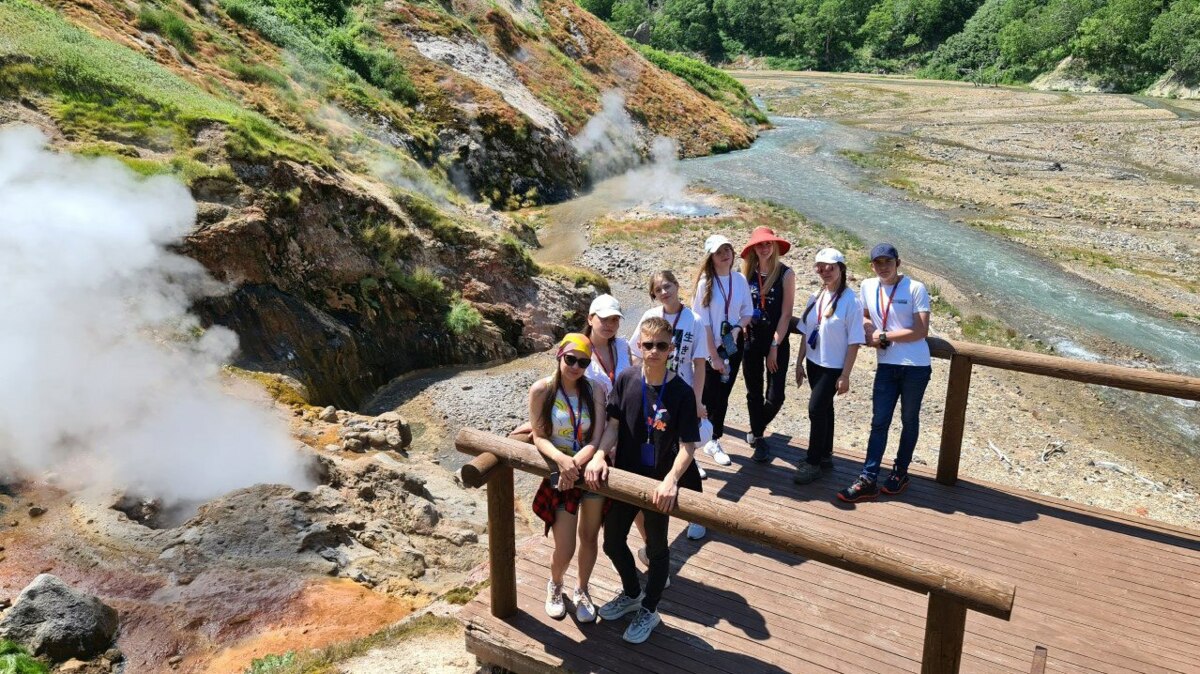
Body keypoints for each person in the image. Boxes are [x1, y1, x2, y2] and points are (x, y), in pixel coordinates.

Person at [586, 317, 702, 644]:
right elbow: (612, 426)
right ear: (639, 345)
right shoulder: (626, 379)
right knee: (612, 541)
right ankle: (633, 593)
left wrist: (671, 480)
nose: (653, 351)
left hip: (658, 485)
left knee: (657, 548)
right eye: (648, 345)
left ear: (671, 349)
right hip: (625, 478)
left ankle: (650, 610)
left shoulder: (680, 391)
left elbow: (688, 447)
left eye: (661, 346)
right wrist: (598, 455)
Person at [838, 243, 932, 503]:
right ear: (872, 265)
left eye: (887, 262)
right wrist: (869, 329)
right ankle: (868, 477)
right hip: (886, 366)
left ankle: (900, 472)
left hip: (915, 367)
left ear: (897, 263)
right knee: (879, 422)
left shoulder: (915, 288)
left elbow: (920, 330)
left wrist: (884, 336)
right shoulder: (868, 286)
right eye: (878, 263)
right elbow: (866, 315)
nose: (883, 267)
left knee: (909, 420)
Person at [528, 334, 609, 621]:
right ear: (560, 355)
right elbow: (538, 435)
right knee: (565, 546)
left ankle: (583, 589)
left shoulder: (595, 390)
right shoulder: (542, 390)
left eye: (583, 362)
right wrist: (561, 462)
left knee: (589, 537)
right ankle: (556, 584)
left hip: (588, 472)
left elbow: (597, 436)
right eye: (570, 359)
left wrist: (574, 464)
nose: (575, 366)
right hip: (560, 472)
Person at [629, 270, 709, 541]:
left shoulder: (694, 320)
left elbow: (699, 364)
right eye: (658, 290)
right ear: (654, 295)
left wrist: (697, 401)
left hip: (680, 394)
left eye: (668, 286)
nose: (664, 292)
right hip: (652, 392)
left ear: (677, 286)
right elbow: (635, 353)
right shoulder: (649, 318)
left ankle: (697, 514)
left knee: (686, 451)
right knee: (659, 448)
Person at [792, 249, 864, 485]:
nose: (825, 272)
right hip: (814, 362)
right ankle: (825, 455)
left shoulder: (851, 302)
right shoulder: (817, 295)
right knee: (825, 409)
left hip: (832, 367)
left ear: (841, 268)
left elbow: (855, 342)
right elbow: (806, 331)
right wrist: (799, 361)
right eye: (820, 267)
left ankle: (812, 463)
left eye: (830, 267)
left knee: (815, 409)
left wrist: (845, 374)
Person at [693, 235, 753, 466]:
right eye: (719, 252)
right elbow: (704, 323)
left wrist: (738, 327)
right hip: (711, 347)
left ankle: (713, 439)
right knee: (707, 395)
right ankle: (694, 444)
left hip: (732, 344)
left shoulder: (739, 279)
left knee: (724, 394)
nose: (725, 254)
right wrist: (714, 356)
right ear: (712, 257)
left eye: (728, 249)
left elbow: (747, 311)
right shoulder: (704, 284)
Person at [741, 226, 796, 463]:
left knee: (776, 396)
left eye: (768, 244)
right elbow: (741, 308)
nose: (764, 248)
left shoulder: (786, 274)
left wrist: (775, 345)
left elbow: (786, 315)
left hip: (777, 341)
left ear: (774, 246)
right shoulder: (746, 273)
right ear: (754, 248)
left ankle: (755, 428)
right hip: (751, 340)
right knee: (753, 392)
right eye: (760, 245)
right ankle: (760, 438)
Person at [584, 294, 632, 399]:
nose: (610, 324)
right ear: (590, 319)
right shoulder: (578, 349)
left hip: (620, 413)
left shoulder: (623, 347)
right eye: (604, 318)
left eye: (614, 319)